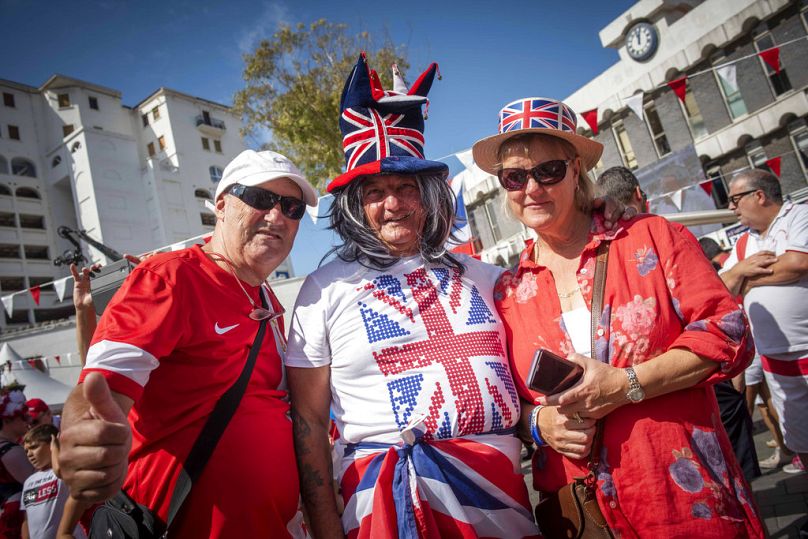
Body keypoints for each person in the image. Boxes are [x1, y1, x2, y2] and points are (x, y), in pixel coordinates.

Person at [473, 96, 765, 536]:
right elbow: (507, 402)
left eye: (547, 171)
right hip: (586, 512)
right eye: (514, 177)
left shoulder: (651, 237)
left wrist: (627, 384)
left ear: (575, 168)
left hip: (681, 499)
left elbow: (729, 333)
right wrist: (540, 422)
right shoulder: (507, 290)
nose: (531, 188)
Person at [286, 54, 540, 538]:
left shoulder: (486, 278)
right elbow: (310, 422)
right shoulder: (323, 291)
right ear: (356, 205)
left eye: (406, 186)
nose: (393, 203)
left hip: (503, 504)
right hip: (383, 509)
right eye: (375, 191)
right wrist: (324, 527)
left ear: (429, 193)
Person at [55, 149, 318, 537]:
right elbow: (101, 387)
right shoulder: (169, 277)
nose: (277, 216)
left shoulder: (267, 299)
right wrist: (81, 435)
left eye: (292, 208)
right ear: (222, 207)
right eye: (261, 199)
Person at [598, 165, 760, 481]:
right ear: (640, 196)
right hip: (682, 393)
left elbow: (722, 325)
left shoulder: (609, 248)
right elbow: (723, 323)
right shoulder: (663, 234)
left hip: (640, 432)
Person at [720, 168, 808, 475]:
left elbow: (798, 262)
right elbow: (723, 284)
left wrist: (748, 278)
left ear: (759, 195)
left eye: (734, 199)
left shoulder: (799, 216)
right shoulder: (743, 244)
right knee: (801, 439)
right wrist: (741, 270)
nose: (731, 207)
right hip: (775, 363)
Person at [21, 425, 85, 539]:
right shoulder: (28, 482)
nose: (29, 454)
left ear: (52, 444)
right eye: (26, 451)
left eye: (34, 447)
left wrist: (56, 447)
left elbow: (60, 470)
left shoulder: (64, 470)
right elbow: (26, 519)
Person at [0, 393, 35, 539]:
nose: (29, 420)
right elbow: (35, 484)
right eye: (23, 417)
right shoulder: (11, 451)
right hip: (15, 520)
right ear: (7, 421)